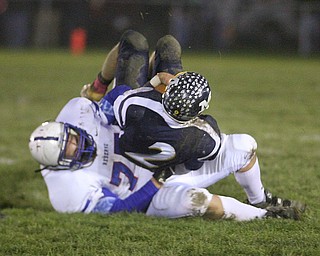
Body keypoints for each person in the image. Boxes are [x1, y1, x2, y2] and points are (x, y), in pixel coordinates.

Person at [29, 30, 304, 221]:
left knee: (245, 145)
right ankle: (264, 216)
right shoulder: (66, 191)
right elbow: (120, 211)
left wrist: (137, 92)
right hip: (149, 190)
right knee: (198, 201)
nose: (77, 144)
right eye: (69, 150)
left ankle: (260, 199)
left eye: (72, 137)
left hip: (153, 150)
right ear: (59, 165)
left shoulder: (76, 113)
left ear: (67, 126)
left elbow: (111, 105)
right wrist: (159, 181)